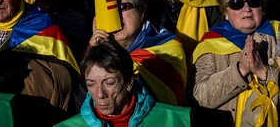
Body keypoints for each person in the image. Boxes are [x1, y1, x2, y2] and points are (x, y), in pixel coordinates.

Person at [193, 0, 279, 127]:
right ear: (225, 12)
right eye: (236, 3)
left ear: (263, 7)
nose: (246, 9)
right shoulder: (210, 41)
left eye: (254, 2)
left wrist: (263, 72)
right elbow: (202, 97)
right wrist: (240, 70)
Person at [89, 0, 188, 106]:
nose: (117, 16)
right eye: (110, 11)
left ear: (141, 12)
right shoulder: (97, 47)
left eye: (122, 8)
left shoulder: (167, 45)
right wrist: (95, 52)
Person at [57, 41, 192, 126]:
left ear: (129, 82)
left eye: (109, 82)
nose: (100, 94)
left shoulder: (180, 120)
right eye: (91, 84)